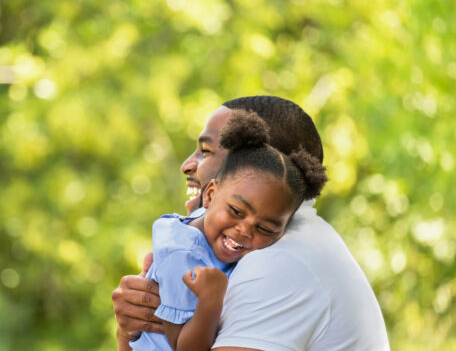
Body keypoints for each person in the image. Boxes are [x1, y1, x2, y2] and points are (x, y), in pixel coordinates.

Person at [112, 96, 390, 350]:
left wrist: (206, 304)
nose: (187, 164)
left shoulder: (278, 261)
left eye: (206, 151)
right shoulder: (247, 242)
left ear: (257, 163)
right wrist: (131, 331)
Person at [126, 111, 327, 351]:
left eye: (264, 228)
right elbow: (183, 347)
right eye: (236, 211)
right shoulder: (181, 257)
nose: (244, 230)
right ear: (209, 194)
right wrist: (210, 300)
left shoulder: (212, 225)